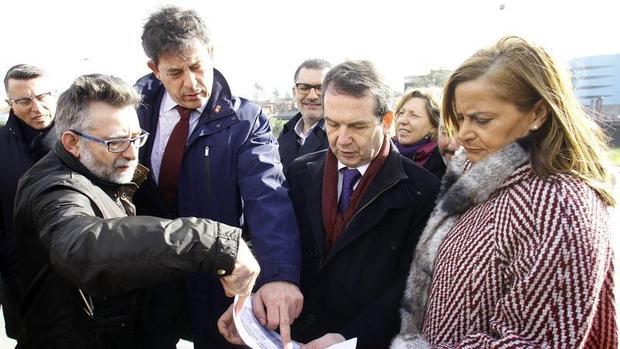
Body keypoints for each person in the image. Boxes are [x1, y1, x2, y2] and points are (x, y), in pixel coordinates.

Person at [392, 36, 617, 348]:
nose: (461, 136)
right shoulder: (475, 169)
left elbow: (534, 343)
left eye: (481, 120)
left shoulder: (560, 210)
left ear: (538, 113)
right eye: (460, 118)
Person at [12, 74, 260, 349]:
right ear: (72, 143)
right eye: (115, 142)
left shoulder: (107, 173)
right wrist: (212, 241)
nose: (132, 153)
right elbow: (83, 246)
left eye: (136, 138)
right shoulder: (54, 189)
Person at [220, 60, 440, 349]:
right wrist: (251, 305)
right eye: (333, 124)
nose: (343, 139)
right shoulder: (300, 171)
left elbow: (411, 288)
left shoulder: (424, 192)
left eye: (357, 126)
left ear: (386, 121)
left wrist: (350, 338)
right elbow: (277, 245)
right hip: (289, 337)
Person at [133, 6, 302, 348]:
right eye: (176, 72)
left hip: (217, 279)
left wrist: (281, 275)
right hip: (145, 277)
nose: (191, 83)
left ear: (211, 54)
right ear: (154, 69)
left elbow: (267, 198)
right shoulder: (132, 111)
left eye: (197, 67)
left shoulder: (245, 121)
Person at [0, 64, 57, 339]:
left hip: (79, 272)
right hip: (20, 278)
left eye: (43, 96)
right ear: (10, 103)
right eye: (24, 101)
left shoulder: (82, 138)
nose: (37, 108)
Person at [278, 58, 331, 173]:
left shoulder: (339, 139)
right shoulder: (285, 133)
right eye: (304, 88)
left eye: (320, 88)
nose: (312, 96)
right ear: (294, 92)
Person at [393, 89, 445, 178]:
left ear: (433, 126)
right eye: (401, 113)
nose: (403, 121)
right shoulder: (381, 152)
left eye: (414, 115)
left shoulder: (440, 162)